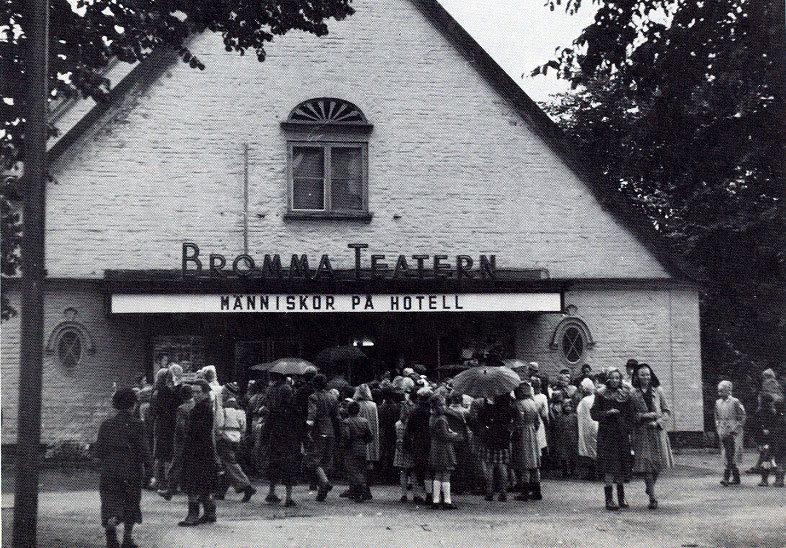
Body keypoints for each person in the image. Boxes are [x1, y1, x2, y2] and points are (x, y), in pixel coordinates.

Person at [95, 388, 145, 548]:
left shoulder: (106, 425)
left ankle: (111, 535)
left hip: (109, 469)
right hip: (131, 470)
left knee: (110, 501)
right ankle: (127, 539)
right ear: (133, 405)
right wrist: (151, 471)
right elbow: (144, 450)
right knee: (131, 502)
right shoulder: (138, 425)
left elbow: (99, 451)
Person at [630, 363, 674, 509]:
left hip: (658, 432)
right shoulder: (633, 393)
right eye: (642, 374)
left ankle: (650, 487)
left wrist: (659, 422)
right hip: (642, 433)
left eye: (648, 374)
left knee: (657, 465)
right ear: (637, 376)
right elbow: (630, 415)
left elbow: (667, 411)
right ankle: (653, 497)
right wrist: (643, 416)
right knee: (646, 466)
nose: (645, 377)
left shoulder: (658, 390)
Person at [591, 367, 635, 510]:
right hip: (607, 434)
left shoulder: (626, 395)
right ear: (608, 379)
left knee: (622, 465)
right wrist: (607, 413)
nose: (615, 380)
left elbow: (631, 415)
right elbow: (594, 414)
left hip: (621, 434)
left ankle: (621, 497)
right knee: (610, 466)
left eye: (618, 378)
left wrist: (627, 427)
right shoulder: (601, 394)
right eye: (613, 378)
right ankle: (609, 499)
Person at [179, 380, 221, 527]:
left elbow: (195, 432)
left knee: (193, 483)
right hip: (204, 450)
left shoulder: (200, 409)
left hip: (197, 450)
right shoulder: (205, 407)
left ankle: (193, 515)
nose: (195, 395)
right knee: (204, 482)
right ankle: (210, 512)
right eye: (193, 392)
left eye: (198, 392)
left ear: (205, 392)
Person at [263, 375, 300, 506]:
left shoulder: (275, 409)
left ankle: (271, 492)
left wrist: (264, 439)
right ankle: (288, 497)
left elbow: (267, 426)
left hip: (276, 440)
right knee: (289, 468)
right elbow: (299, 426)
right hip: (290, 442)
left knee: (274, 466)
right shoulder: (295, 410)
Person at [305, 373, 341, 501]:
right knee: (325, 460)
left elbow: (312, 415)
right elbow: (337, 417)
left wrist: (307, 430)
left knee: (313, 459)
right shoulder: (332, 398)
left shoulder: (313, 397)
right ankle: (322, 492)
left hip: (318, 430)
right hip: (330, 430)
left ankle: (324, 482)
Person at [158, 383, 196, 500]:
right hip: (195, 440)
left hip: (182, 441)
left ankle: (170, 490)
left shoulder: (182, 408)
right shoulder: (197, 405)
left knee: (176, 465)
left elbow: (180, 426)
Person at [216, 396, 256, 502]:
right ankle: (221, 492)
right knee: (228, 465)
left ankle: (247, 486)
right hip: (237, 439)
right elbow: (243, 428)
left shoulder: (221, 409)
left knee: (229, 464)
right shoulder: (241, 411)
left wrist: (218, 436)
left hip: (225, 439)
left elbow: (219, 426)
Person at [477, 393, 514, 502]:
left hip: (490, 438)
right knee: (502, 466)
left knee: (490, 466)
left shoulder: (489, 408)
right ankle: (503, 492)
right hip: (503, 439)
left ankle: (489, 492)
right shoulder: (508, 410)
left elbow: (481, 419)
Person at [428, 393, 462, 509]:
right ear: (435, 406)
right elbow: (444, 435)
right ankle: (447, 501)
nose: (443, 407)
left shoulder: (432, 417)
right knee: (446, 474)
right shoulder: (442, 419)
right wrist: (455, 435)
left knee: (437, 474)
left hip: (435, 447)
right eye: (441, 405)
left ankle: (435, 500)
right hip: (444, 449)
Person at [151, 368, 180, 491]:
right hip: (171, 425)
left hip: (160, 425)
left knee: (160, 455)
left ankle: (159, 480)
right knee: (169, 453)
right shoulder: (172, 391)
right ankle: (169, 481)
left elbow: (153, 411)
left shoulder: (156, 392)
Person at [512, 382, 542, 501]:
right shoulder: (532, 403)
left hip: (523, 433)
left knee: (524, 463)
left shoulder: (518, 404)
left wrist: (515, 433)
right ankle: (537, 491)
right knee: (534, 464)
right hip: (532, 432)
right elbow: (538, 422)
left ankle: (524, 492)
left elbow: (519, 421)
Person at [405, 387, 434, 503]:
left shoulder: (414, 411)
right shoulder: (432, 411)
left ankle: (429, 494)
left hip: (419, 441)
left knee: (424, 469)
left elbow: (409, 429)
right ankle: (436, 493)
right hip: (432, 440)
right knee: (433, 468)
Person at [341, 401, 374, 502]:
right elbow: (370, 435)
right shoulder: (364, 421)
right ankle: (359, 491)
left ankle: (361, 489)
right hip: (362, 448)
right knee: (361, 470)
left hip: (351, 449)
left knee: (353, 471)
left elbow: (346, 436)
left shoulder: (347, 422)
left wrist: (344, 445)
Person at [715, 380, 746, 486]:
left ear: (728, 390)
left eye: (722, 391)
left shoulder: (735, 402)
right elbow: (716, 416)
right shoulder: (718, 402)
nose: (720, 394)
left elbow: (742, 416)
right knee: (727, 454)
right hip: (723, 431)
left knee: (730, 453)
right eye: (719, 391)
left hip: (733, 431)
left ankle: (726, 477)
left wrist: (736, 429)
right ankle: (736, 477)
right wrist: (718, 427)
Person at [353, 384, 380, 498]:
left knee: (359, 465)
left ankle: (360, 488)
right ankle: (367, 486)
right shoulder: (373, 405)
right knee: (369, 463)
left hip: (360, 438)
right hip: (372, 436)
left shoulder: (356, 405)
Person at [445, 391, 471, 494]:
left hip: (450, 438)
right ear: (461, 400)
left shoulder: (446, 411)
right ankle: (460, 486)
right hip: (461, 438)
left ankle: (451, 484)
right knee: (461, 463)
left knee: (451, 461)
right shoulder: (465, 412)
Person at [751, 392, 776, 486]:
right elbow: (755, 424)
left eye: (760, 399)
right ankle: (766, 478)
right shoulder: (760, 411)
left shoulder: (771, 411)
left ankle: (765, 479)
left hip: (770, 439)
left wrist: (768, 429)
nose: (759, 401)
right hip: (763, 439)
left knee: (766, 458)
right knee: (766, 458)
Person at [576, 377, 599, 480]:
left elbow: (580, 412)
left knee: (590, 449)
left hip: (588, 427)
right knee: (595, 447)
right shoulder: (594, 398)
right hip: (595, 425)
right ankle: (596, 471)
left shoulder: (585, 400)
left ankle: (594, 472)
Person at [394, 402, 416, 501]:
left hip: (400, 448)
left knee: (403, 472)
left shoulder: (397, 424)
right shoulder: (411, 424)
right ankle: (416, 494)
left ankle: (403, 494)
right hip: (410, 448)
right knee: (413, 473)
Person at [554, 399, 579, 478]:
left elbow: (577, 427)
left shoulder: (574, 416)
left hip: (572, 436)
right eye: (566, 406)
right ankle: (564, 471)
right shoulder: (559, 416)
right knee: (563, 455)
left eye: (569, 406)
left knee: (573, 454)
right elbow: (557, 428)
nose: (568, 408)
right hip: (563, 437)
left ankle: (572, 470)